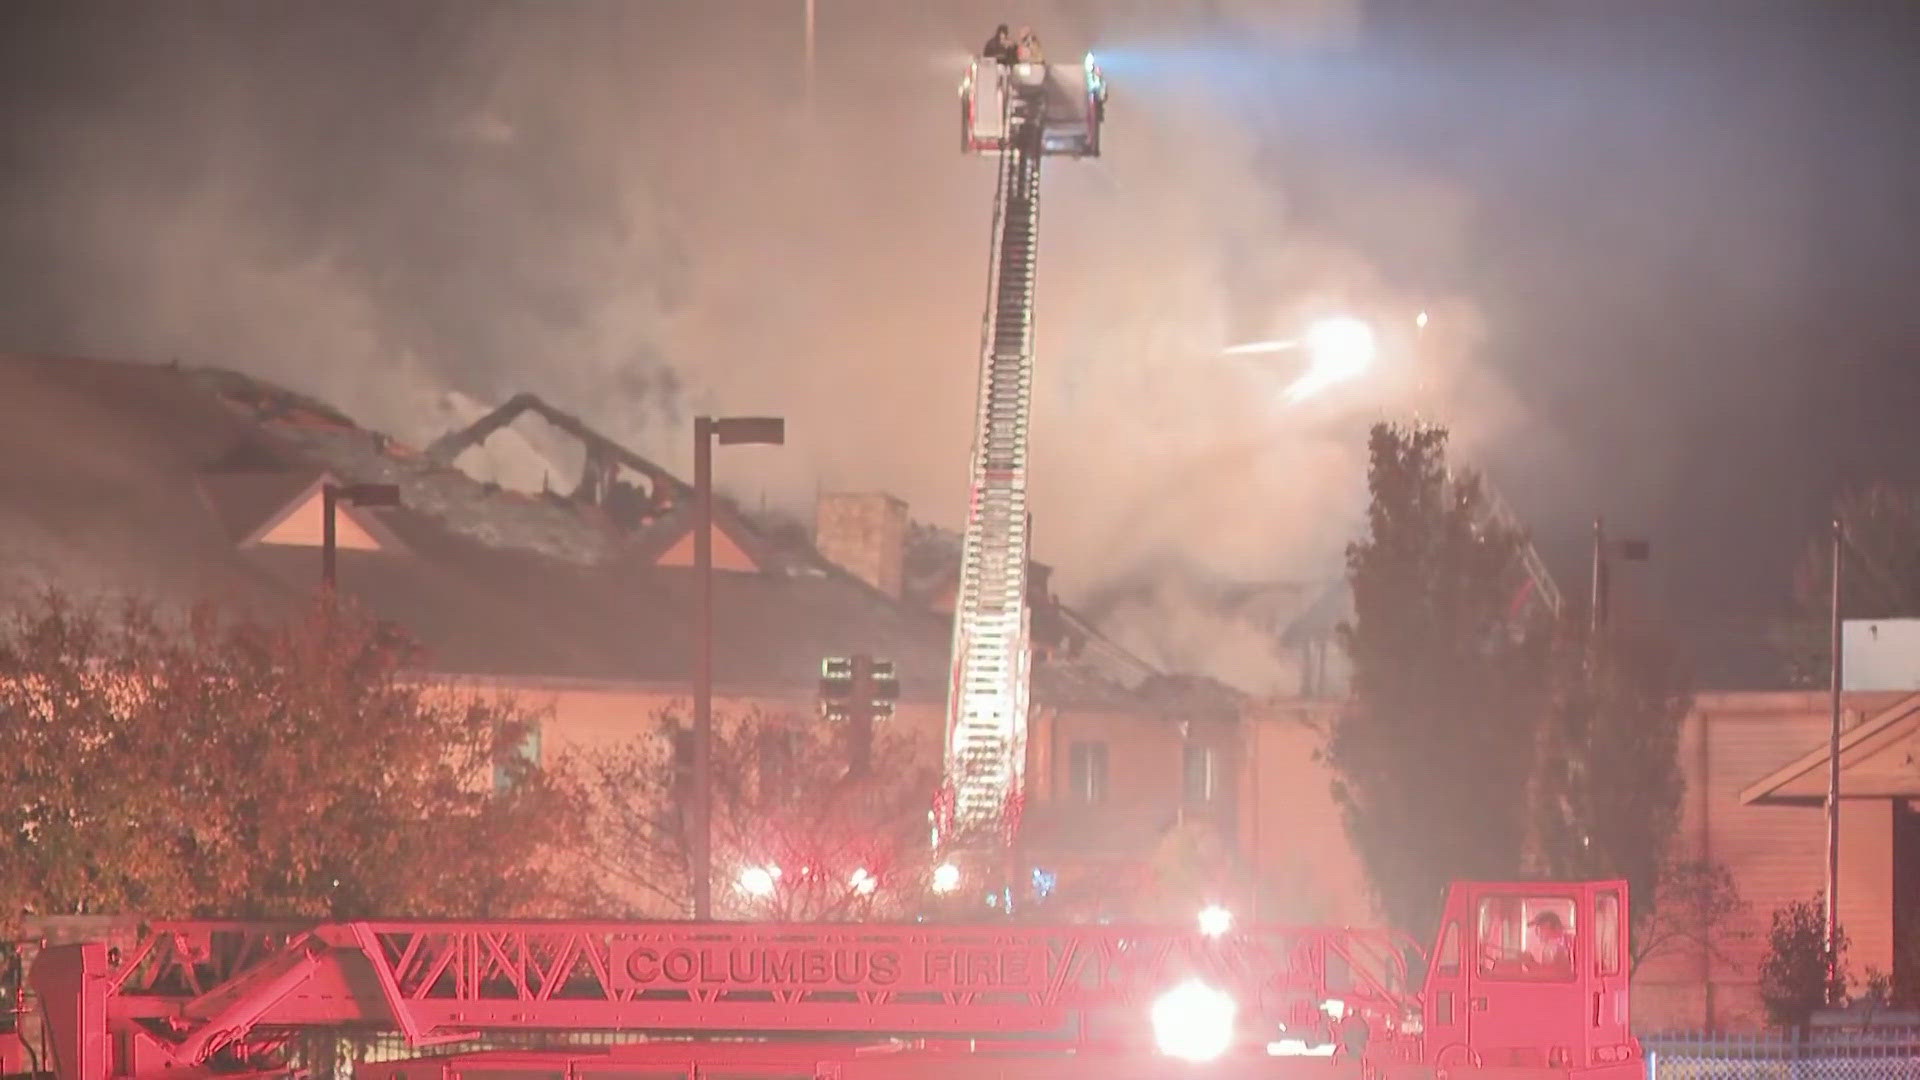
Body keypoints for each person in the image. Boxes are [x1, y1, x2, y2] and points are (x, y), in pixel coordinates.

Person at [1525, 910, 1573, 975]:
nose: (1537, 932)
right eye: (1537, 928)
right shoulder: (1548, 946)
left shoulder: (1565, 945)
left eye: (1542, 928)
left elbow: (1555, 974)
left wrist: (1532, 964)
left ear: (1556, 927)